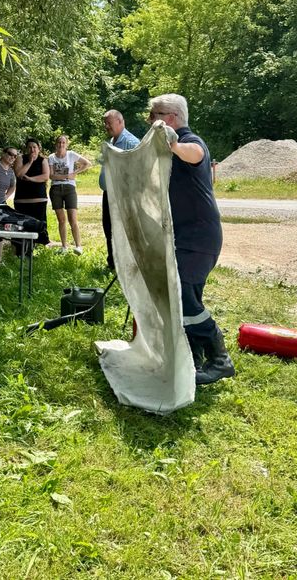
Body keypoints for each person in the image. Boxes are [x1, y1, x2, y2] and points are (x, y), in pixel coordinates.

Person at [148, 94, 235, 385]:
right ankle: (193, 360)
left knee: (184, 297)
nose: (150, 121)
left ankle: (220, 359)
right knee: (184, 297)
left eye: (154, 115)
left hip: (199, 237)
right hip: (186, 236)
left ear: (171, 118)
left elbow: (195, 153)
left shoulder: (189, 141)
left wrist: (173, 144)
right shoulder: (167, 149)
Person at [99, 110, 139, 271]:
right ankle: (113, 263)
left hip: (123, 195)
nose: (106, 126)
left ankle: (127, 266)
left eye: (109, 123)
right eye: (105, 123)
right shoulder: (111, 142)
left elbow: (138, 172)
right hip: (109, 194)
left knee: (123, 230)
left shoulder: (131, 143)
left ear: (121, 122)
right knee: (109, 228)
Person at [48, 135, 91, 254]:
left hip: (70, 188)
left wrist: (75, 173)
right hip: (56, 189)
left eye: (63, 142)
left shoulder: (71, 154)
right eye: (59, 142)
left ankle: (78, 246)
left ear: (66, 144)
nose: (61, 144)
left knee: (72, 219)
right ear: (56, 144)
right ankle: (64, 247)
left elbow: (87, 163)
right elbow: (51, 176)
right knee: (61, 220)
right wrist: (67, 176)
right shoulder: (51, 157)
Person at [13, 137, 51, 251]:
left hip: (39, 199)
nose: (32, 150)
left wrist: (30, 179)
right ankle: (21, 250)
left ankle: (38, 249)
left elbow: (45, 176)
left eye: (34, 147)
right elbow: (19, 174)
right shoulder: (20, 158)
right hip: (22, 200)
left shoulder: (43, 160)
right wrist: (30, 162)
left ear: (39, 149)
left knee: (39, 225)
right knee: (21, 226)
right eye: (29, 147)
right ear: (26, 149)